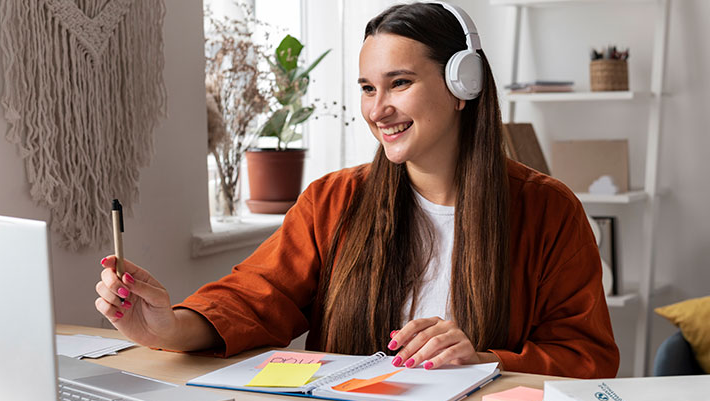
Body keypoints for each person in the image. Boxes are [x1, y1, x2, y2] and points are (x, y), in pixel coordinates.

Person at [95, 2, 619, 378]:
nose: (377, 109)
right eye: (368, 88)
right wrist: (166, 327)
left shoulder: (549, 210)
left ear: (464, 86)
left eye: (400, 84)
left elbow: (587, 357)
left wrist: (484, 359)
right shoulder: (334, 201)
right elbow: (256, 298)